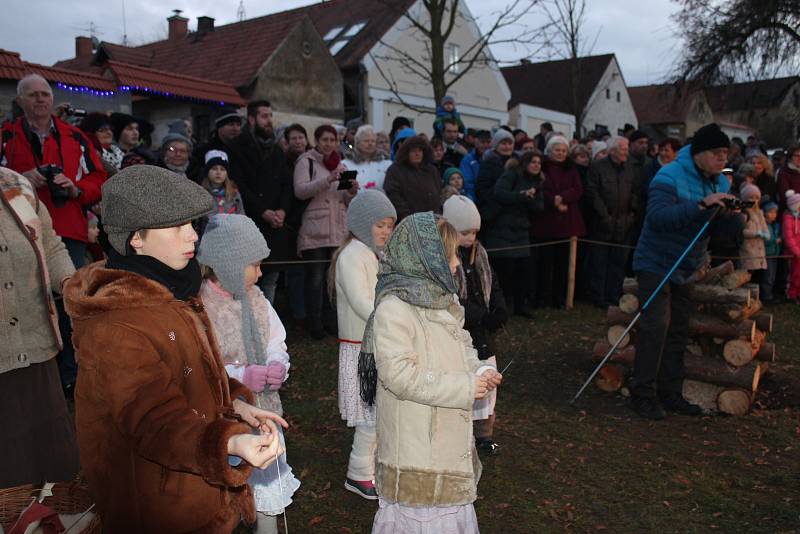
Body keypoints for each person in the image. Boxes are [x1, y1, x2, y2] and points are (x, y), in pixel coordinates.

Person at [63, 165, 287, 531]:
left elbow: (193, 372)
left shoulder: (172, 289)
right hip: (157, 504)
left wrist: (235, 401)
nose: (193, 237)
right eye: (177, 226)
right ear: (136, 238)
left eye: (193, 225)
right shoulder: (117, 323)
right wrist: (229, 443)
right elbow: (154, 419)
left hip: (192, 488)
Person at [359, 212, 502, 534]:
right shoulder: (394, 309)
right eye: (449, 255)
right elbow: (398, 376)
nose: (455, 264)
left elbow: (461, 343)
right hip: (416, 448)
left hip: (445, 443)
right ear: (425, 258)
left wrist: (478, 369)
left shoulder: (442, 300)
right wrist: (465, 386)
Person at [1, 74, 108, 397]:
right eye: (32, 95)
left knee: (69, 301)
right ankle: (29, 366)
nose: (40, 100)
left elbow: (99, 177)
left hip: (68, 229)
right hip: (16, 232)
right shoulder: (6, 136)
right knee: (24, 299)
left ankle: (73, 373)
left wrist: (76, 189)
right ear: (20, 101)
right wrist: (22, 180)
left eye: (45, 94)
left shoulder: (75, 137)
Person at [198, 214, 301, 534]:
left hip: (264, 414)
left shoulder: (256, 299)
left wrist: (276, 364)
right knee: (227, 488)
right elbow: (203, 364)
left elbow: (275, 338)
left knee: (266, 482)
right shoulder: (203, 308)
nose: (260, 272)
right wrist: (240, 374)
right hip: (225, 419)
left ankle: (267, 526)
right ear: (228, 264)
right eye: (254, 265)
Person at [630, 123, 735, 420]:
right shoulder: (669, 176)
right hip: (656, 262)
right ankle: (643, 394)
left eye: (726, 153)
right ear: (699, 153)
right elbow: (659, 218)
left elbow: (713, 227)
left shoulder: (720, 182)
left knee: (678, 330)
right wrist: (701, 204)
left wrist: (731, 215)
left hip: (688, 264)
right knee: (656, 328)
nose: (722, 159)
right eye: (717, 153)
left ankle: (671, 393)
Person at [0, 167, 79, 487]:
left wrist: (72, 285)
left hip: (37, 346)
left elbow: (51, 247)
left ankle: (54, 515)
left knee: (51, 453)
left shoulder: (17, 185)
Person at [329, 190, 396, 500]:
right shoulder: (352, 256)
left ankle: (371, 468)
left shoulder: (371, 254)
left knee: (377, 413)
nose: (385, 231)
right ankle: (358, 474)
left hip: (374, 345)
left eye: (389, 226)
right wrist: (395, 316)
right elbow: (362, 302)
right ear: (361, 223)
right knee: (369, 416)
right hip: (361, 350)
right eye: (379, 225)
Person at [443, 195, 507, 455]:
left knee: (487, 381)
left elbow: (494, 283)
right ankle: (459, 432)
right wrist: (478, 315)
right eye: (464, 232)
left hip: (484, 334)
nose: (470, 238)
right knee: (465, 381)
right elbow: (451, 299)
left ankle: (484, 434)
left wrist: (500, 308)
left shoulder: (480, 255)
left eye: (474, 232)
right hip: (461, 331)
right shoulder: (447, 259)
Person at [294, 125, 358, 339]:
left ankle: (332, 323)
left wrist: (350, 191)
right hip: (315, 231)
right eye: (325, 139)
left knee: (333, 281)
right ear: (317, 140)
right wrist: (328, 179)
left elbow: (345, 200)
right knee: (314, 280)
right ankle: (315, 326)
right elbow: (300, 191)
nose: (329, 143)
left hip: (337, 230)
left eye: (333, 139)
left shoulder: (340, 164)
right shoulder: (306, 161)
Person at [227, 100, 293, 304]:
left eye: (270, 116)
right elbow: (239, 185)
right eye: (264, 116)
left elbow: (286, 183)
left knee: (270, 279)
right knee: (248, 278)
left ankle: (268, 324)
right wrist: (263, 210)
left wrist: (282, 209)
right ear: (252, 119)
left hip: (275, 224)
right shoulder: (237, 147)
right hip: (251, 221)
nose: (269, 121)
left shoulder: (276, 149)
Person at [484, 151, 545, 316]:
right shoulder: (511, 174)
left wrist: (530, 199)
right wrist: (521, 195)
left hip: (521, 230)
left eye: (539, 163)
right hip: (502, 229)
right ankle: (499, 307)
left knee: (523, 271)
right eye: (533, 162)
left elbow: (540, 207)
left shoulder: (538, 182)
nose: (536, 165)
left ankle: (520, 306)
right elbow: (500, 193)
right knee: (505, 271)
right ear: (525, 163)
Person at [530, 135, 586, 308]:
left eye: (563, 150)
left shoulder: (572, 168)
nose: (561, 153)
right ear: (550, 150)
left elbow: (577, 189)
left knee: (563, 264)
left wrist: (562, 198)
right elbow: (538, 187)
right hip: (546, 220)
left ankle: (559, 298)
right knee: (544, 264)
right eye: (557, 150)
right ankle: (542, 298)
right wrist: (553, 200)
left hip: (566, 220)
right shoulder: (543, 166)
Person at [585, 136, 641, 309]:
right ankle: (598, 297)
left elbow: (636, 192)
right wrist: (604, 216)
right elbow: (592, 193)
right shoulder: (597, 168)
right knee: (599, 263)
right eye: (623, 148)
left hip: (624, 225)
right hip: (603, 224)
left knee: (618, 264)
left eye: (626, 148)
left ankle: (614, 295)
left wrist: (631, 214)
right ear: (612, 150)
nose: (626, 152)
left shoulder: (630, 170)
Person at [383, 135, 442, 221]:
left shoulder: (432, 170)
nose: (417, 154)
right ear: (406, 153)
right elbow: (393, 196)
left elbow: (439, 193)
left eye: (420, 150)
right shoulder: (395, 171)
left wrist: (438, 215)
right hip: (408, 222)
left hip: (433, 221)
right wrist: (407, 218)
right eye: (413, 151)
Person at [475, 129, 516, 228]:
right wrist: (499, 202)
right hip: (494, 214)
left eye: (510, 143)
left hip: (514, 214)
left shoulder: (517, 162)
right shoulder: (488, 162)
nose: (507, 146)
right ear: (496, 145)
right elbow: (482, 188)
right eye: (503, 143)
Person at [188, 111, 244, 182]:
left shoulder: (244, 149)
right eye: (231, 124)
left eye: (238, 125)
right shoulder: (204, 150)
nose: (235, 128)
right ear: (219, 127)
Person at [198, 150, 243, 236]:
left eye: (222, 169)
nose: (218, 172)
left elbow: (242, 216)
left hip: (232, 238)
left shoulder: (234, 193)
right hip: (209, 239)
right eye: (214, 168)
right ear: (207, 171)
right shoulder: (201, 194)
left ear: (226, 173)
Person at [343, 124, 392, 191]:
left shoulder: (387, 164)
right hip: (356, 200)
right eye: (366, 141)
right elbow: (344, 192)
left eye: (373, 141)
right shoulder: (346, 164)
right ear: (357, 143)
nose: (370, 143)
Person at [739, 184, 768, 285]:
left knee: (758, 278)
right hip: (748, 251)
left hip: (759, 252)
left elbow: (765, 228)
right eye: (751, 197)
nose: (754, 200)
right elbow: (741, 232)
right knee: (747, 277)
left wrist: (766, 234)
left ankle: (755, 300)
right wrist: (756, 233)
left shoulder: (759, 213)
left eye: (756, 198)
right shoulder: (743, 213)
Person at [459, 129, 491, 201]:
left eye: (488, 142)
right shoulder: (467, 160)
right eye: (482, 142)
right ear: (476, 143)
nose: (486, 145)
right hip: (476, 201)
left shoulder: (495, 159)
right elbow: (467, 184)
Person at [761, 201, 782, 303]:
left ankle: (770, 294)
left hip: (775, 253)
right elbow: (766, 239)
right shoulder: (764, 225)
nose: (774, 215)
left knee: (772, 276)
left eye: (775, 212)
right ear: (765, 213)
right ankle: (766, 296)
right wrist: (775, 240)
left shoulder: (775, 225)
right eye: (771, 212)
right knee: (768, 276)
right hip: (768, 254)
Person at [783, 190, 800, 302]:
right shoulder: (788, 218)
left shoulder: (798, 218)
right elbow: (789, 238)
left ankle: (798, 293)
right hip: (793, 253)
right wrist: (797, 252)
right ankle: (791, 294)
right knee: (793, 275)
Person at [777, 146, 800, 211]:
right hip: (791, 211)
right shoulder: (784, 173)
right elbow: (785, 195)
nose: (799, 158)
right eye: (797, 156)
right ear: (790, 158)